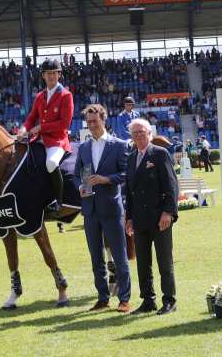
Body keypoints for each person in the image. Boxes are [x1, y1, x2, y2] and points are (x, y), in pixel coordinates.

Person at [74, 104, 132, 313]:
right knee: (95, 257)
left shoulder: (119, 145)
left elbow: (126, 174)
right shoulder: (83, 147)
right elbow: (75, 175)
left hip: (111, 209)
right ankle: (102, 298)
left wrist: (106, 179)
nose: (91, 125)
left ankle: (124, 299)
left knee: (119, 255)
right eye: (88, 122)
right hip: (90, 210)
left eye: (94, 121)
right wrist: (80, 186)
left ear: (103, 120)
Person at [125, 118, 179, 315]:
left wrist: (168, 212)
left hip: (159, 217)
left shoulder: (159, 153)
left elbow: (171, 185)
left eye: (142, 132)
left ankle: (169, 300)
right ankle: (148, 300)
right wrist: (129, 218)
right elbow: (129, 191)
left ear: (149, 133)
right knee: (143, 263)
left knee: (164, 261)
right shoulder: (131, 158)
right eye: (135, 133)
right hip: (139, 219)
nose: (139, 136)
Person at [18, 59, 74, 213]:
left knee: (50, 163)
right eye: (48, 73)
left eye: (54, 73)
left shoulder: (66, 95)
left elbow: (64, 124)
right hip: (39, 139)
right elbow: (31, 117)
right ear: (43, 76)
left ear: (59, 75)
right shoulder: (40, 96)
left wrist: (41, 127)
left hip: (57, 140)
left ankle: (59, 201)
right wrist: (23, 129)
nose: (51, 76)